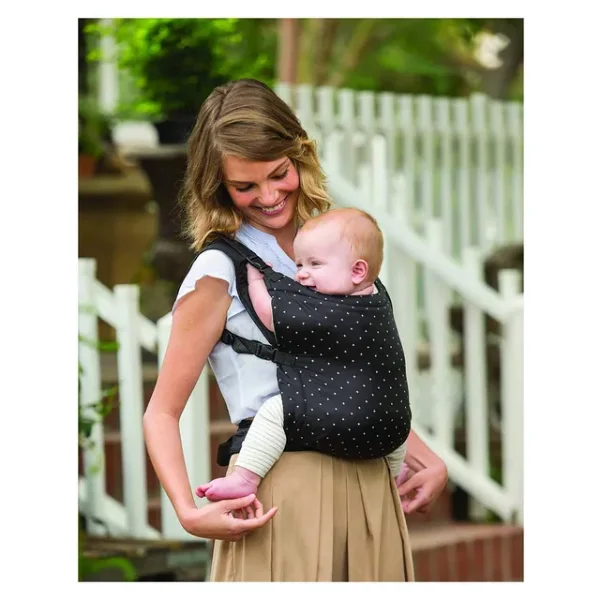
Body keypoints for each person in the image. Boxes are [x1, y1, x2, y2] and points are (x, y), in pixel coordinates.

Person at [142, 78, 448, 582]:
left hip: (371, 484)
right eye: (245, 186)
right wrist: (187, 512)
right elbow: (161, 412)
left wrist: (425, 457)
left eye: (278, 173)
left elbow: (347, 378)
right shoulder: (219, 271)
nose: (268, 196)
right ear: (217, 187)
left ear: (299, 155)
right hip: (282, 485)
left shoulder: (334, 249)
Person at [195, 207, 411, 502]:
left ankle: (245, 478)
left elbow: (269, 314)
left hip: (344, 420)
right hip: (393, 425)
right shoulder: (378, 300)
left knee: (275, 412)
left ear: (357, 271)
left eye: (315, 264)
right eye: (299, 264)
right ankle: (395, 474)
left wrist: (256, 281)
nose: (301, 273)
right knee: (391, 424)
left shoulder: (327, 309)